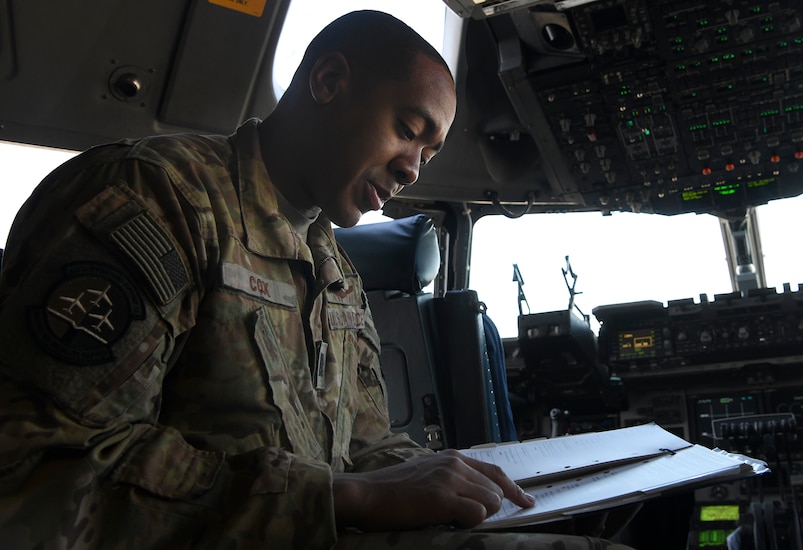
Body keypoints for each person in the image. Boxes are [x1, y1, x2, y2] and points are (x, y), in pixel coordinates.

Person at [0, 10, 635, 549]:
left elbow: (364, 446)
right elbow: (42, 469)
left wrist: (467, 487)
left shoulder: (334, 267)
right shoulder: (156, 200)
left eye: (430, 153)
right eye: (408, 132)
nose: (414, 170)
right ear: (328, 82)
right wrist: (335, 499)